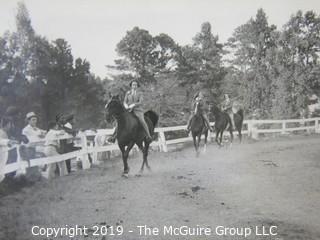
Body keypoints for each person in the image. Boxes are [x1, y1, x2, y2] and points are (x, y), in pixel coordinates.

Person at [0, 117, 18, 181]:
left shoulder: (4, 133)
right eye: (10, 124)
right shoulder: (1, 132)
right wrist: (8, 141)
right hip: (1, 156)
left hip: (3, 157)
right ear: (7, 124)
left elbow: (6, 145)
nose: (10, 126)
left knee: (1, 175)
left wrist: (11, 142)